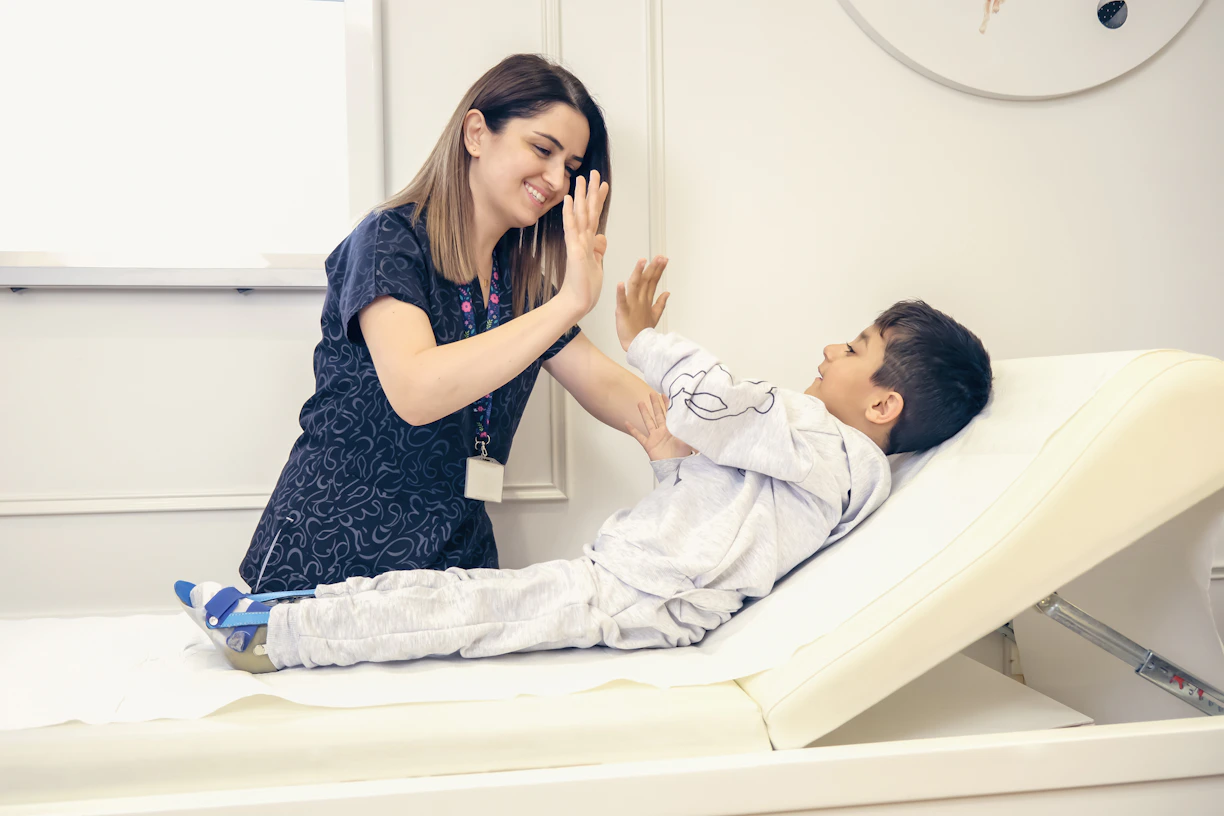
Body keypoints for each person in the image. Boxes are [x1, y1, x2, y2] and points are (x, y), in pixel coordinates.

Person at [180, 274, 993, 673]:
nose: (828, 350)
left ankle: (275, 635)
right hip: (638, 583)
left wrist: (649, 341)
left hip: (646, 598)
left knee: (461, 612)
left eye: (853, 350)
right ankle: (283, 613)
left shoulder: (836, 448)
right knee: (456, 599)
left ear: (884, 407)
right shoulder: (826, 462)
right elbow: (730, 517)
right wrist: (673, 468)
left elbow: (727, 407)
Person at [238, 54, 670, 593]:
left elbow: (633, 405)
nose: (559, 180)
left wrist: (771, 424)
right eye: (542, 149)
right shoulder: (388, 240)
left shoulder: (526, 285)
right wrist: (569, 303)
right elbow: (416, 390)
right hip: (331, 562)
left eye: (573, 167)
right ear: (475, 133)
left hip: (454, 568)